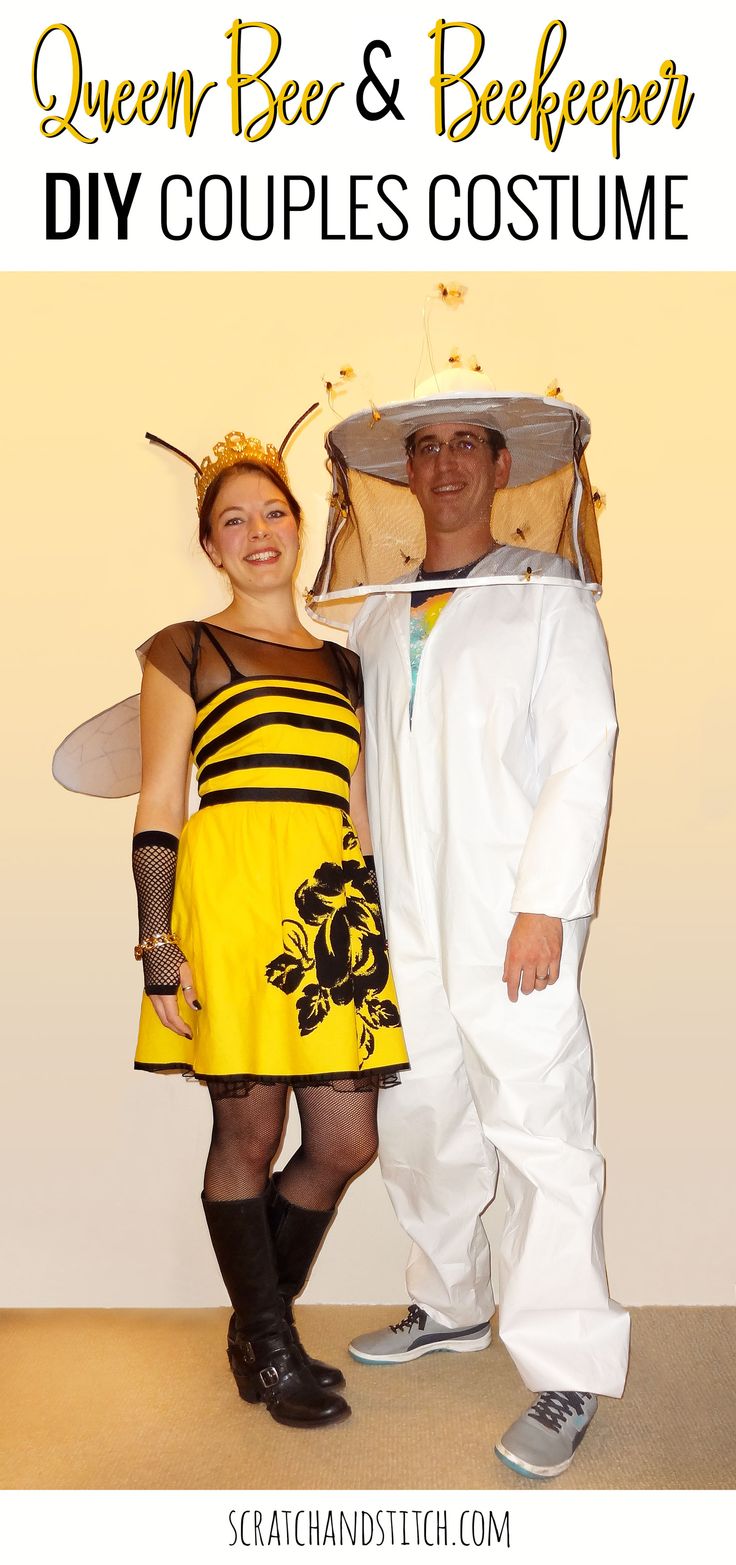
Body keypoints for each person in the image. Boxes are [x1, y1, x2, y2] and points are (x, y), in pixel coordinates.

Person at [312, 375, 630, 1477]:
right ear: (405, 473)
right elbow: (364, 772)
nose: (443, 463)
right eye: (426, 447)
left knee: (541, 1132)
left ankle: (567, 1368)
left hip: (511, 912)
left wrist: (545, 900)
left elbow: (582, 748)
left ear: (500, 469)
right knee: (423, 1114)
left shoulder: (547, 592)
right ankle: (447, 1301)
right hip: (402, 913)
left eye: (466, 446)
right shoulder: (377, 611)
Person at [130, 428, 407, 1429]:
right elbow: (159, 800)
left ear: (300, 526)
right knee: (248, 1128)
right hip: (234, 907)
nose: (258, 532)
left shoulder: (344, 663)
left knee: (344, 1138)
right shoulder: (184, 648)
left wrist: (387, 932)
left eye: (273, 512)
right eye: (233, 520)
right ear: (210, 546)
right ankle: (274, 1341)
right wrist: (159, 943)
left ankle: (257, 1326)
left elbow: (361, 812)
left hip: (332, 913)